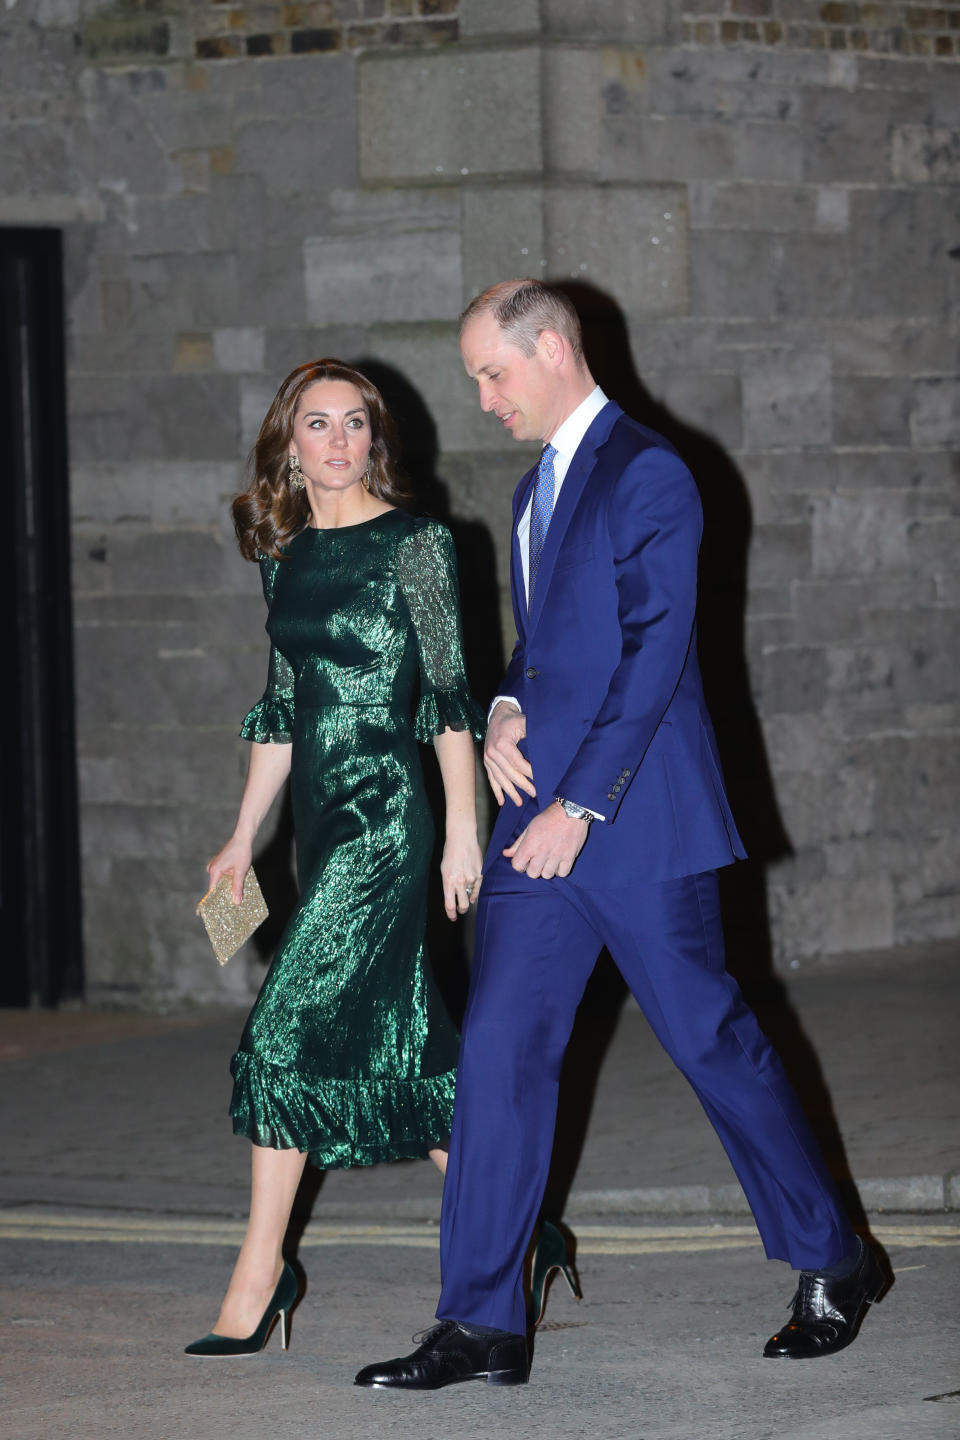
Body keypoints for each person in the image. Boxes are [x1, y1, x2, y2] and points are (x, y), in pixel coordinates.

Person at [355, 281, 884, 1390]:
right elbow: (549, 651)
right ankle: (483, 1318)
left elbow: (654, 655)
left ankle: (838, 1258)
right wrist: (503, 704)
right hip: (537, 825)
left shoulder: (651, 471)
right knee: (497, 1049)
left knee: (708, 1041)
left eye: (493, 374)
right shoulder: (532, 488)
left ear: (551, 348)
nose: (485, 399)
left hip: (628, 820)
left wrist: (578, 805)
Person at [184, 359, 484, 1357]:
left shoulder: (419, 544)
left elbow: (447, 700)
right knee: (399, 1040)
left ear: (374, 439)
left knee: (283, 1033)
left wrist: (465, 831)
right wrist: (242, 838)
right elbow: (281, 712)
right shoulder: (286, 554)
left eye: (355, 423)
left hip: (390, 821)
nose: (340, 440)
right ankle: (517, 1223)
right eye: (318, 425)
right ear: (290, 444)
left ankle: (261, 1272)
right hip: (319, 819)